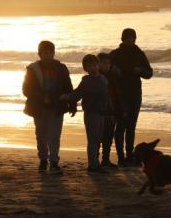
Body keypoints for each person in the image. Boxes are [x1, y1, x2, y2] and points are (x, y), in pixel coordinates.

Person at [22, 40, 75, 173]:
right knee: (41, 135)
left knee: (54, 135)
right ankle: (43, 160)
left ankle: (54, 162)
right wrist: (42, 97)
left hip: (57, 107)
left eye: (50, 52)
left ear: (54, 53)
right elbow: (26, 90)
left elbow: (68, 87)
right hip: (39, 108)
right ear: (40, 54)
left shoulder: (61, 68)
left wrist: (72, 104)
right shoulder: (32, 69)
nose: (48, 55)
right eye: (45, 53)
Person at [61, 54, 113, 173]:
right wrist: (67, 97)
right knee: (93, 140)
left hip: (102, 113)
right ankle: (93, 165)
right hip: (91, 113)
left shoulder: (103, 79)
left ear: (98, 65)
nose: (93, 68)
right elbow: (77, 94)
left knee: (98, 139)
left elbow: (107, 96)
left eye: (95, 65)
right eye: (90, 66)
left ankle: (95, 163)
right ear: (86, 69)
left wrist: (110, 110)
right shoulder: (86, 81)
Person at [109, 28, 153, 166]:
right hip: (119, 94)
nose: (130, 40)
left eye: (132, 37)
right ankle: (121, 157)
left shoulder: (139, 53)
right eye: (127, 37)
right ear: (122, 39)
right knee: (121, 125)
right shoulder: (114, 54)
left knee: (131, 126)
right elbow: (105, 69)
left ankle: (130, 155)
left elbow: (149, 73)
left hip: (135, 93)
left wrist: (140, 70)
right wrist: (114, 70)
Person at [97, 52, 123, 167]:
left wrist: (120, 109)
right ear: (98, 64)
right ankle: (95, 160)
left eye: (108, 63)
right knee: (98, 137)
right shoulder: (96, 77)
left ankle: (105, 159)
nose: (107, 66)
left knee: (108, 137)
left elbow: (117, 95)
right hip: (100, 112)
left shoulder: (113, 77)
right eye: (104, 63)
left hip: (111, 111)